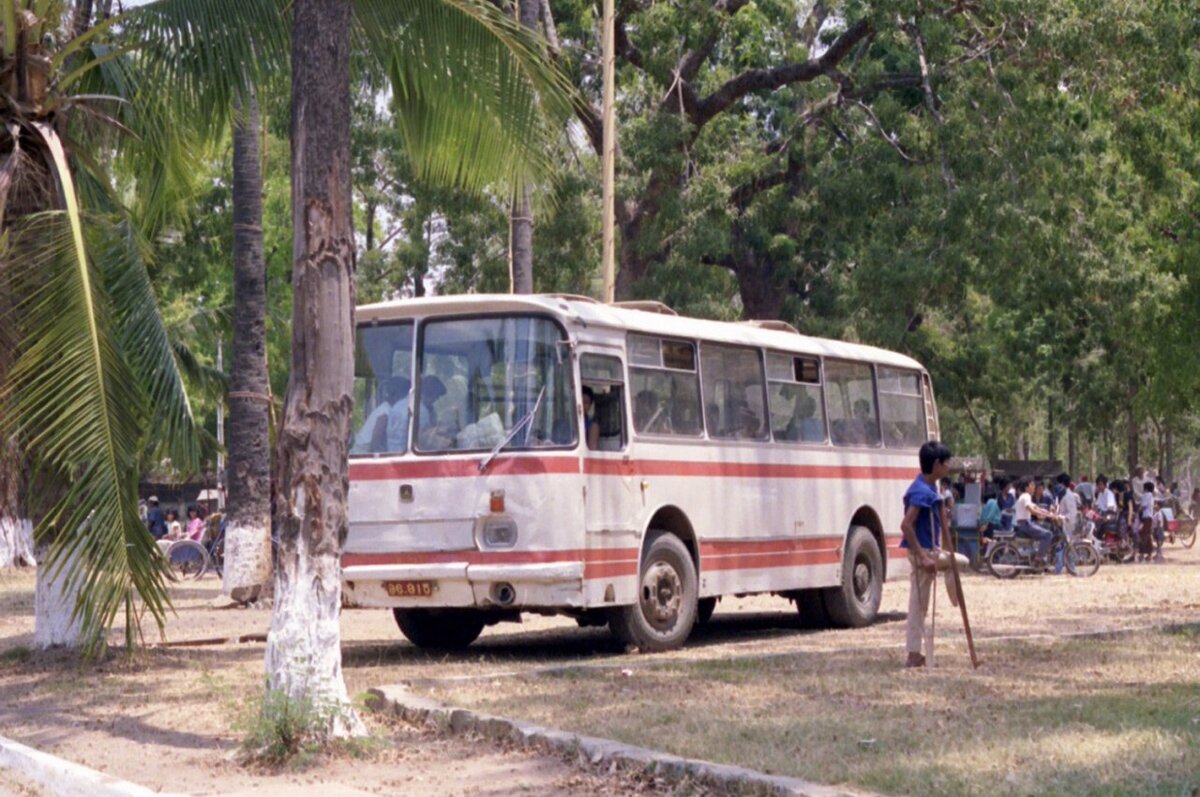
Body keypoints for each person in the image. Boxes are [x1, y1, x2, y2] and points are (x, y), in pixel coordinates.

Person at [899, 440, 953, 669]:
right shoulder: (921, 491)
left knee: (919, 603)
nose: (949, 467)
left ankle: (914, 652)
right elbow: (906, 525)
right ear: (937, 464)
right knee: (918, 605)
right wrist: (923, 557)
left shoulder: (930, 488)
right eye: (946, 463)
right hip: (923, 552)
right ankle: (913, 653)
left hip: (930, 550)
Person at [1014, 477, 1056, 565]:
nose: (1034, 487)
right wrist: (1047, 515)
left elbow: (1037, 508)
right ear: (1026, 488)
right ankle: (1038, 558)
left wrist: (1049, 513)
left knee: (1044, 530)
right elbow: (1031, 510)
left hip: (1025, 524)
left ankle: (1038, 555)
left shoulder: (1025, 497)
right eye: (1032, 485)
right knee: (1048, 534)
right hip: (1025, 524)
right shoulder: (1026, 496)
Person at [1138, 481, 1155, 562]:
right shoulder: (1151, 496)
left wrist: (1138, 511)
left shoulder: (1146, 495)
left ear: (1146, 489)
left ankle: (1142, 554)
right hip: (1150, 517)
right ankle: (1149, 554)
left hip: (1146, 517)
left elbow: (1143, 506)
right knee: (1148, 535)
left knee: (1144, 535)